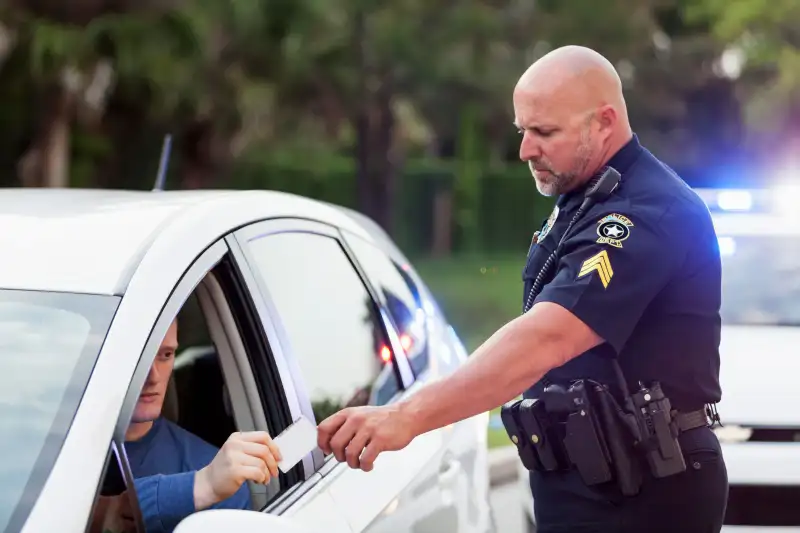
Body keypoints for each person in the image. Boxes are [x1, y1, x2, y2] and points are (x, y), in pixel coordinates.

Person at [317, 45, 728, 532]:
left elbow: (548, 337)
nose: (525, 149)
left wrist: (407, 416)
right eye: (523, 130)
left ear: (604, 122)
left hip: (644, 486)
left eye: (544, 132)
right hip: (591, 473)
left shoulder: (644, 213)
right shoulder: (586, 193)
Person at [94, 318, 282, 533]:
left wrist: (207, 485)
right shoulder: (57, 446)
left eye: (166, 355)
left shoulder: (219, 473)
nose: (153, 376)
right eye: (138, 357)